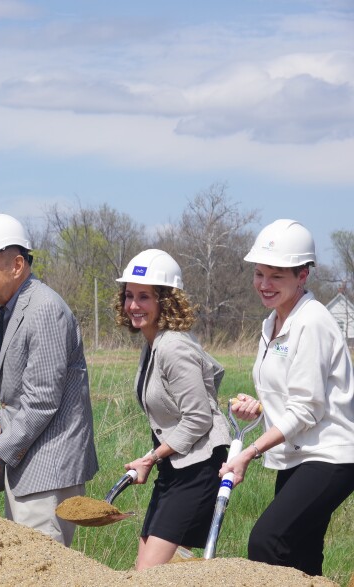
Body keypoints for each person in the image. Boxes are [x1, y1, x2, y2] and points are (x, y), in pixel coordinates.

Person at [220, 219, 354, 577]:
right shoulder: (273, 323)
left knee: (267, 541)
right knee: (301, 557)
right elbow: (295, 392)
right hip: (295, 458)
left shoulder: (311, 322)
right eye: (259, 274)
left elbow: (307, 409)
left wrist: (249, 452)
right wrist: (261, 407)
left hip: (328, 456)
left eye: (276, 276)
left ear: (302, 276)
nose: (264, 285)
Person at [0, 213, 98, 545]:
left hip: (48, 471)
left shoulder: (43, 310)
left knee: (40, 570)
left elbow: (41, 403)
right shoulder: (14, 305)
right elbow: (26, 394)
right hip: (31, 464)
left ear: (17, 265)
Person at [114, 249, 230, 570]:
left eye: (144, 297)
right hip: (175, 466)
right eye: (129, 296)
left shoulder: (174, 347)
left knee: (149, 573)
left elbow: (198, 418)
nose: (134, 305)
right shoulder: (152, 344)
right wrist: (157, 460)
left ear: (165, 300)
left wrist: (151, 458)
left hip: (198, 468)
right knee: (147, 570)